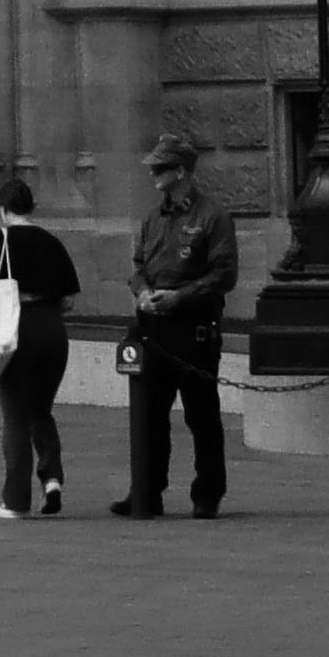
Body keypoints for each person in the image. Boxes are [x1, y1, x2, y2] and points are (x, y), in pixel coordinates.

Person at [109, 124, 237, 518]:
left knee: (201, 415)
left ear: (180, 171)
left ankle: (207, 492)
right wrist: (143, 292)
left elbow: (224, 274)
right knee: (149, 415)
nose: (153, 176)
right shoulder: (153, 219)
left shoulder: (211, 215)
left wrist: (180, 296)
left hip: (192, 328)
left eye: (160, 170)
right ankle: (147, 489)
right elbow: (136, 266)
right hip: (153, 329)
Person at [0, 169, 76, 523]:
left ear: (4, 209)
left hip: (15, 332)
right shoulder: (52, 242)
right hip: (52, 331)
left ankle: (15, 500)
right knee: (40, 409)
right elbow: (69, 301)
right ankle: (52, 479)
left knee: (15, 418)